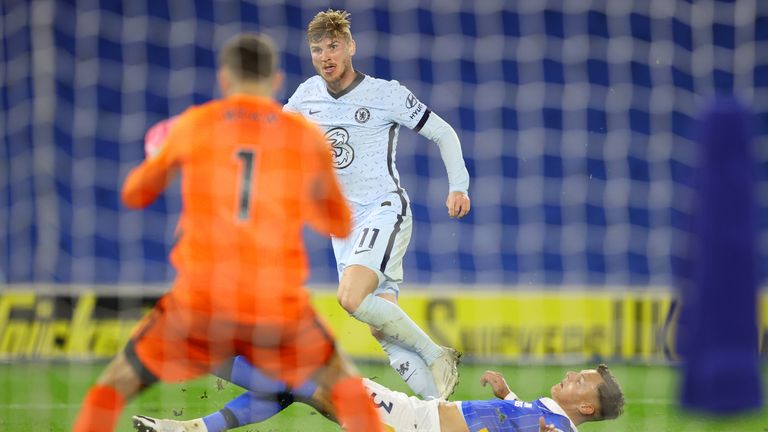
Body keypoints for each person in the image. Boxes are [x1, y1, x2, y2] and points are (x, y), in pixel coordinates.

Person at [73, 33, 383, 432]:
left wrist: (161, 155)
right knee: (348, 393)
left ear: (224, 79)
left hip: (200, 299)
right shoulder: (304, 138)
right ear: (276, 80)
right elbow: (339, 224)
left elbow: (135, 194)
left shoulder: (195, 125)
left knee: (112, 388)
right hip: (278, 303)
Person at [284, 8, 472, 400]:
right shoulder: (306, 96)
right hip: (341, 227)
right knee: (381, 327)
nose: (325, 56)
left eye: (333, 46)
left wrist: (459, 186)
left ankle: (436, 353)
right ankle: (438, 412)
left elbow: (442, 132)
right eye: (317, 49)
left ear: (351, 46)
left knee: (350, 298)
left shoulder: (386, 93)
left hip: (383, 209)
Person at [133, 356, 625, 432]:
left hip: (414, 426)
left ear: (586, 407)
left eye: (583, 382)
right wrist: (506, 391)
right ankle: (196, 427)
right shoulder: (542, 413)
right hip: (416, 415)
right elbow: (513, 417)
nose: (572, 376)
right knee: (304, 385)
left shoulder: (555, 428)